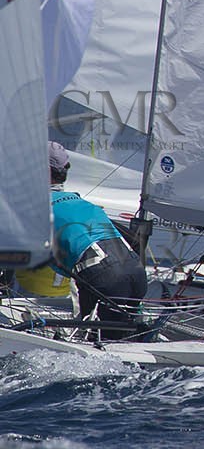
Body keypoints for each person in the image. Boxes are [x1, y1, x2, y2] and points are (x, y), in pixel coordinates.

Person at [44, 142, 149, 332]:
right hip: (137, 273)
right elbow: (134, 239)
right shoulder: (82, 202)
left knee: (95, 341)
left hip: (106, 279)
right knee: (125, 338)